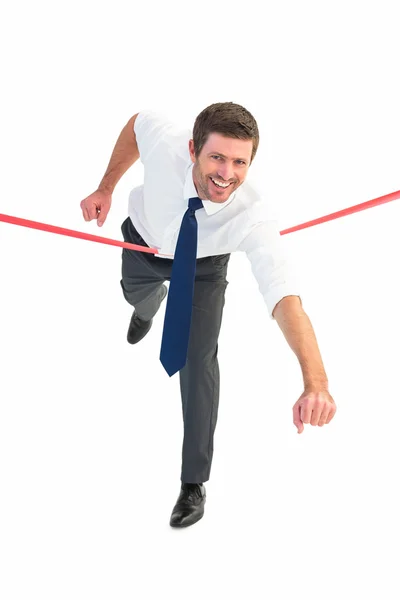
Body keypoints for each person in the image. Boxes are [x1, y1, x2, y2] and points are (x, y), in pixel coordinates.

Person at [80, 102, 337, 528]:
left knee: (198, 364)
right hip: (144, 243)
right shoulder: (165, 144)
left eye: (240, 162)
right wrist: (105, 187)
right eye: (217, 157)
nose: (227, 173)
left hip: (204, 265)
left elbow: (286, 298)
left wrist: (317, 382)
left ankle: (193, 482)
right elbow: (135, 124)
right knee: (135, 297)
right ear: (193, 149)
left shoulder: (254, 216)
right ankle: (147, 309)